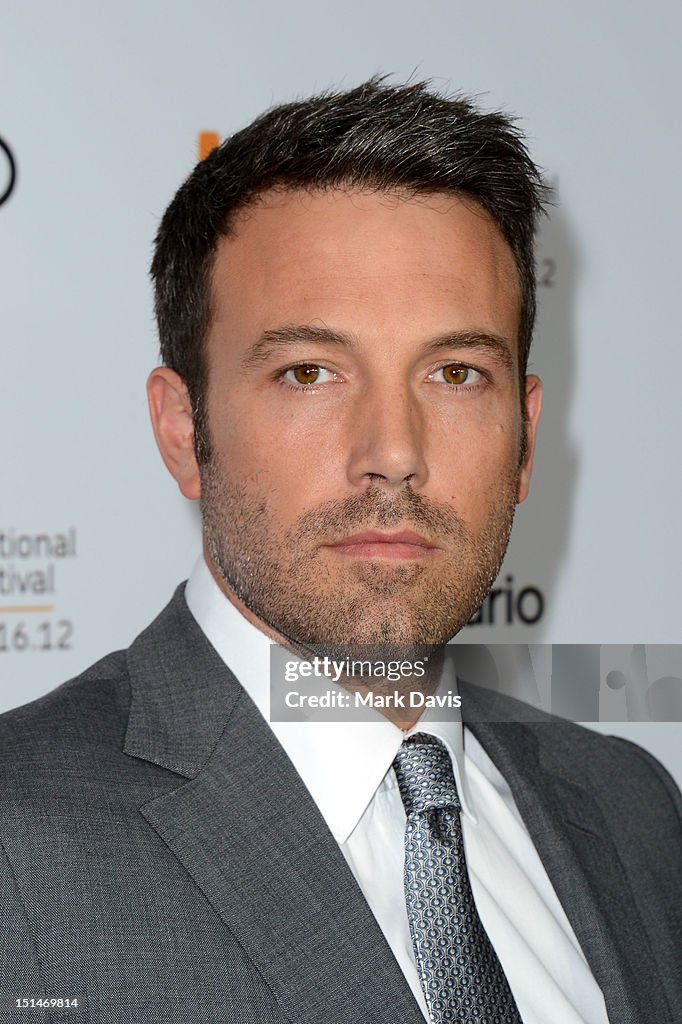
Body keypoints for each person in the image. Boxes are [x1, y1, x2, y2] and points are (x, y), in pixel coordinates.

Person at [0, 78, 679, 1024]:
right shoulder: (16, 845)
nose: (393, 452)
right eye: (309, 372)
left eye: (455, 373)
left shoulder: (633, 811)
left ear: (525, 436)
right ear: (181, 427)